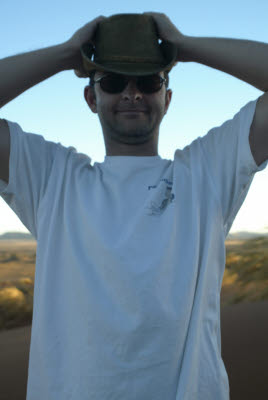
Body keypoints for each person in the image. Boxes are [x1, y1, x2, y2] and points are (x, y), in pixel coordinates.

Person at [0, 11, 267, 400]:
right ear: (91, 97)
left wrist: (187, 46)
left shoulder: (205, 172)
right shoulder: (52, 179)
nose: (132, 93)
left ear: (167, 97)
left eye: (147, 81)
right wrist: (62, 54)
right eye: (112, 81)